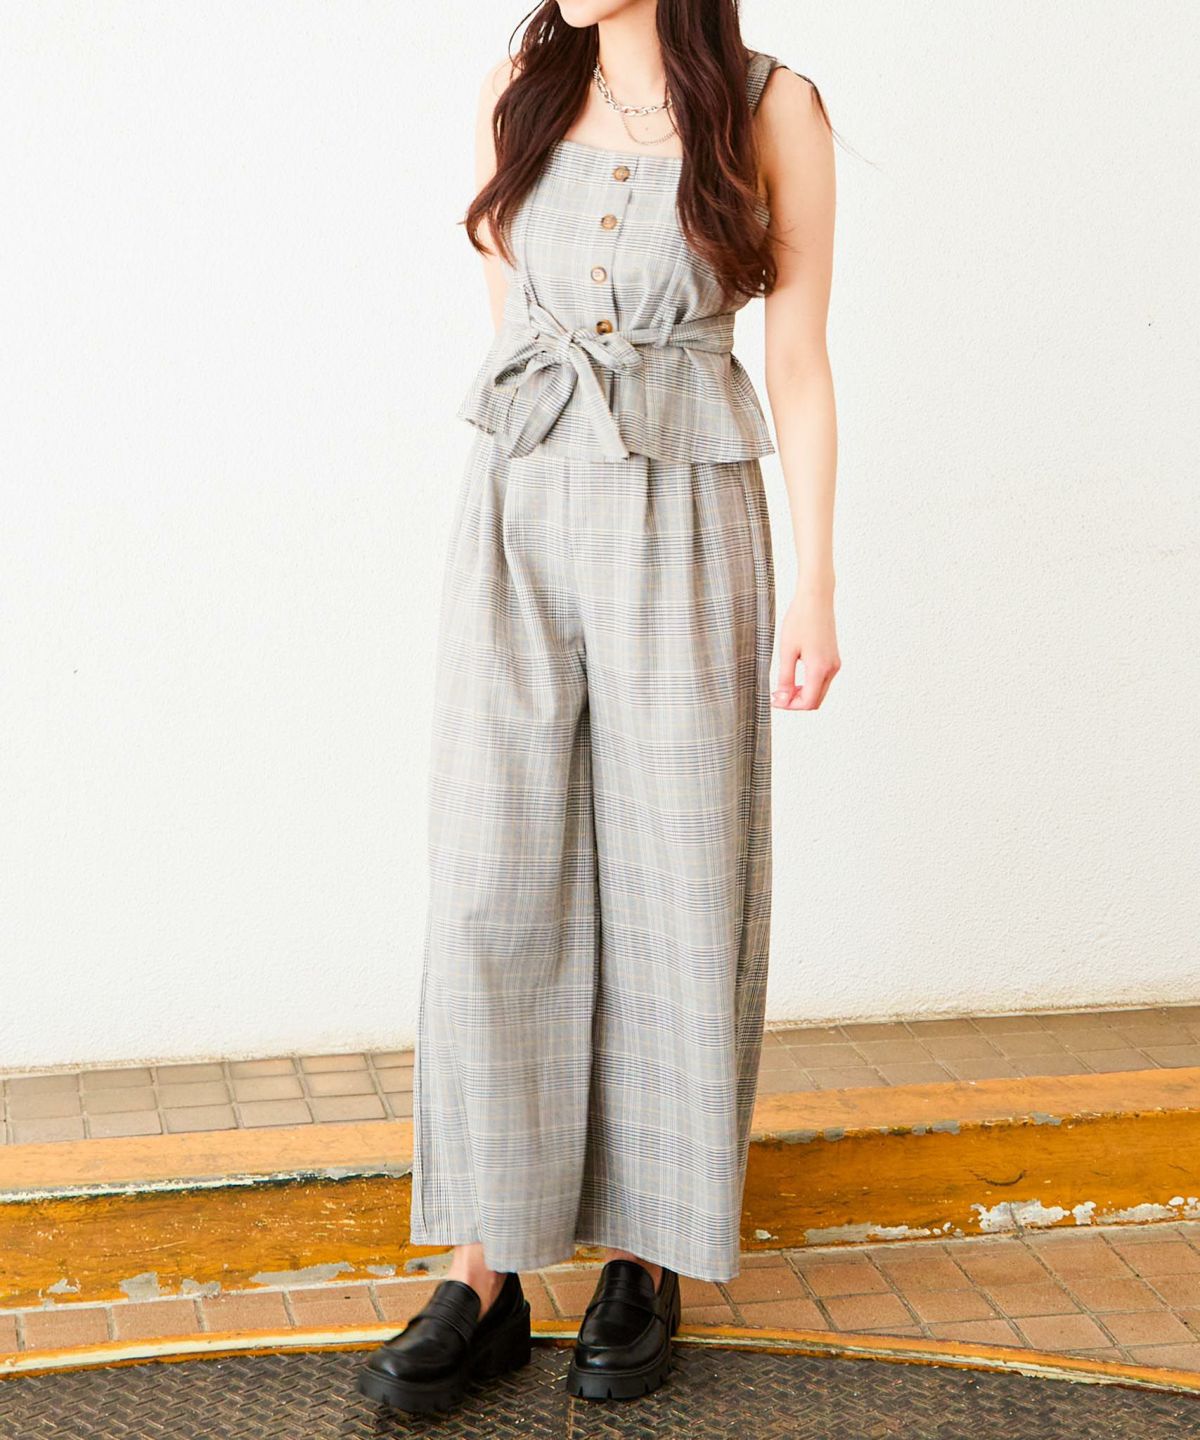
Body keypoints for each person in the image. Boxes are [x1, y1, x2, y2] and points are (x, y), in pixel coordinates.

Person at [358, 0, 837, 1416]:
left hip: (688, 512)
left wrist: (817, 584)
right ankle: (485, 1267)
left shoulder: (772, 108)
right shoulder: (523, 81)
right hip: (520, 512)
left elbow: (798, 360)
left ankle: (647, 1254)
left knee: (678, 880)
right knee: (492, 882)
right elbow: (511, 313)